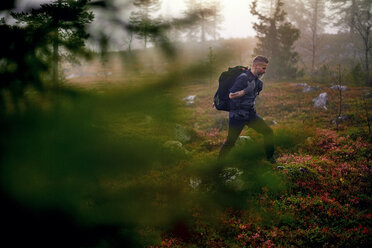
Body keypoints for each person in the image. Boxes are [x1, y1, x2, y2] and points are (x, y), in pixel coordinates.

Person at [219, 55, 275, 163]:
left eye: (266, 68)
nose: (265, 71)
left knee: (268, 132)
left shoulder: (257, 80)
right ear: (255, 65)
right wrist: (246, 91)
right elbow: (231, 95)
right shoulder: (243, 77)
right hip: (237, 116)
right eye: (263, 68)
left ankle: (270, 159)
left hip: (250, 114)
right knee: (230, 142)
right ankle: (218, 165)